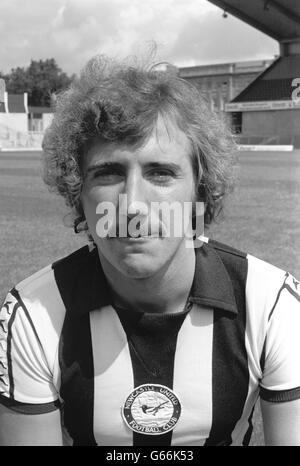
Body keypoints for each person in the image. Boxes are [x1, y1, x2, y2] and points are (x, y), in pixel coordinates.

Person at [0, 54, 300, 447]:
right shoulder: (33, 315)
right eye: (108, 173)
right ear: (79, 195)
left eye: (160, 173)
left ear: (201, 190)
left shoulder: (272, 302)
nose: (132, 205)